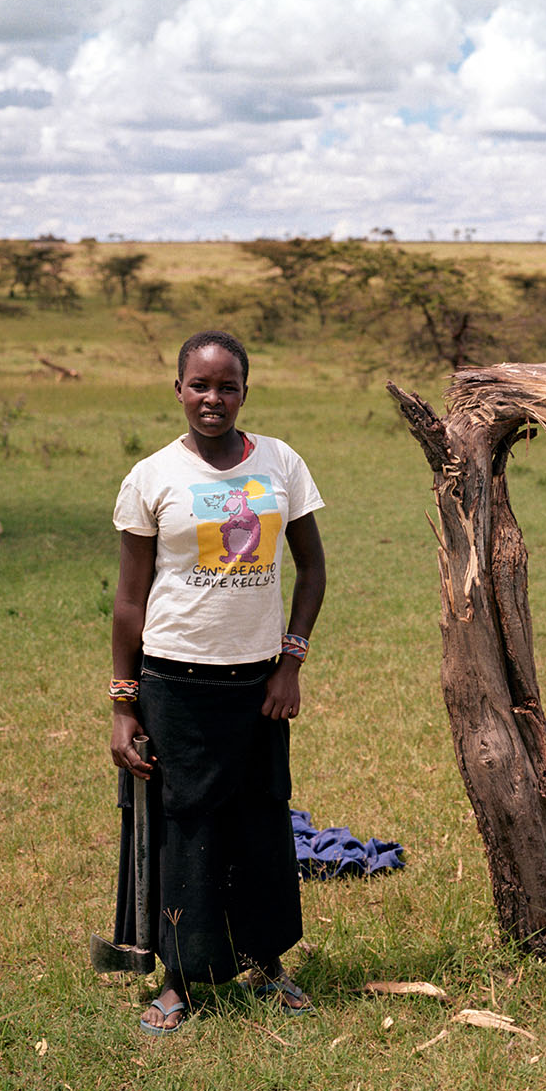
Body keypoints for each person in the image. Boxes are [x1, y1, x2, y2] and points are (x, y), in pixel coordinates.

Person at [108, 329, 327, 1036]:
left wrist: (290, 662)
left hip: (259, 682)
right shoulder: (152, 477)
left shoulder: (282, 463)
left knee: (262, 818)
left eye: (226, 385)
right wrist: (122, 704)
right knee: (186, 824)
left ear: (244, 391)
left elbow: (312, 569)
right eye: (199, 385)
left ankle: (265, 962)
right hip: (175, 680)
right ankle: (177, 979)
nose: (212, 398)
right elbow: (130, 600)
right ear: (178, 389)